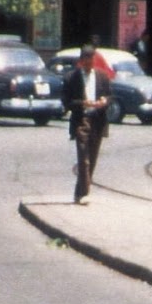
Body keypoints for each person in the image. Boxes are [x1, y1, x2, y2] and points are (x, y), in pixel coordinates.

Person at [61, 44, 111, 204]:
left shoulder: (102, 76)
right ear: (81, 61)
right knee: (83, 157)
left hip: (98, 120)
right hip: (81, 120)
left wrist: (104, 101)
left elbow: (109, 96)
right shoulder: (71, 78)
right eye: (87, 62)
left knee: (93, 157)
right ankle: (85, 193)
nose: (90, 65)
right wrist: (83, 102)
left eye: (92, 62)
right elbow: (67, 102)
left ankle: (79, 193)